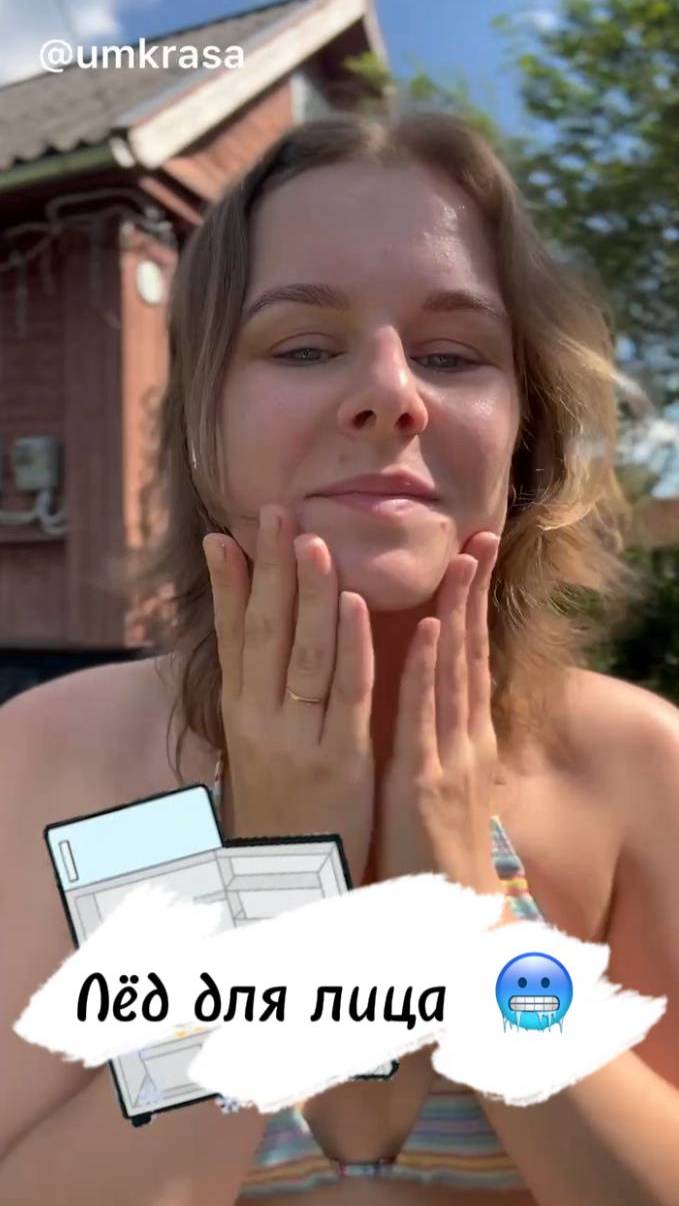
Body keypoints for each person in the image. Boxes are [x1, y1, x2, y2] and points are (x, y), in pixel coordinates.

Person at [1, 109, 678, 1206]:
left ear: (526, 428)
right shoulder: (56, 757)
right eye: (304, 346)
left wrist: (470, 922)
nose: (391, 392)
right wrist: (273, 903)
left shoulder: (635, 763)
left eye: (452, 354)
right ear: (205, 420)